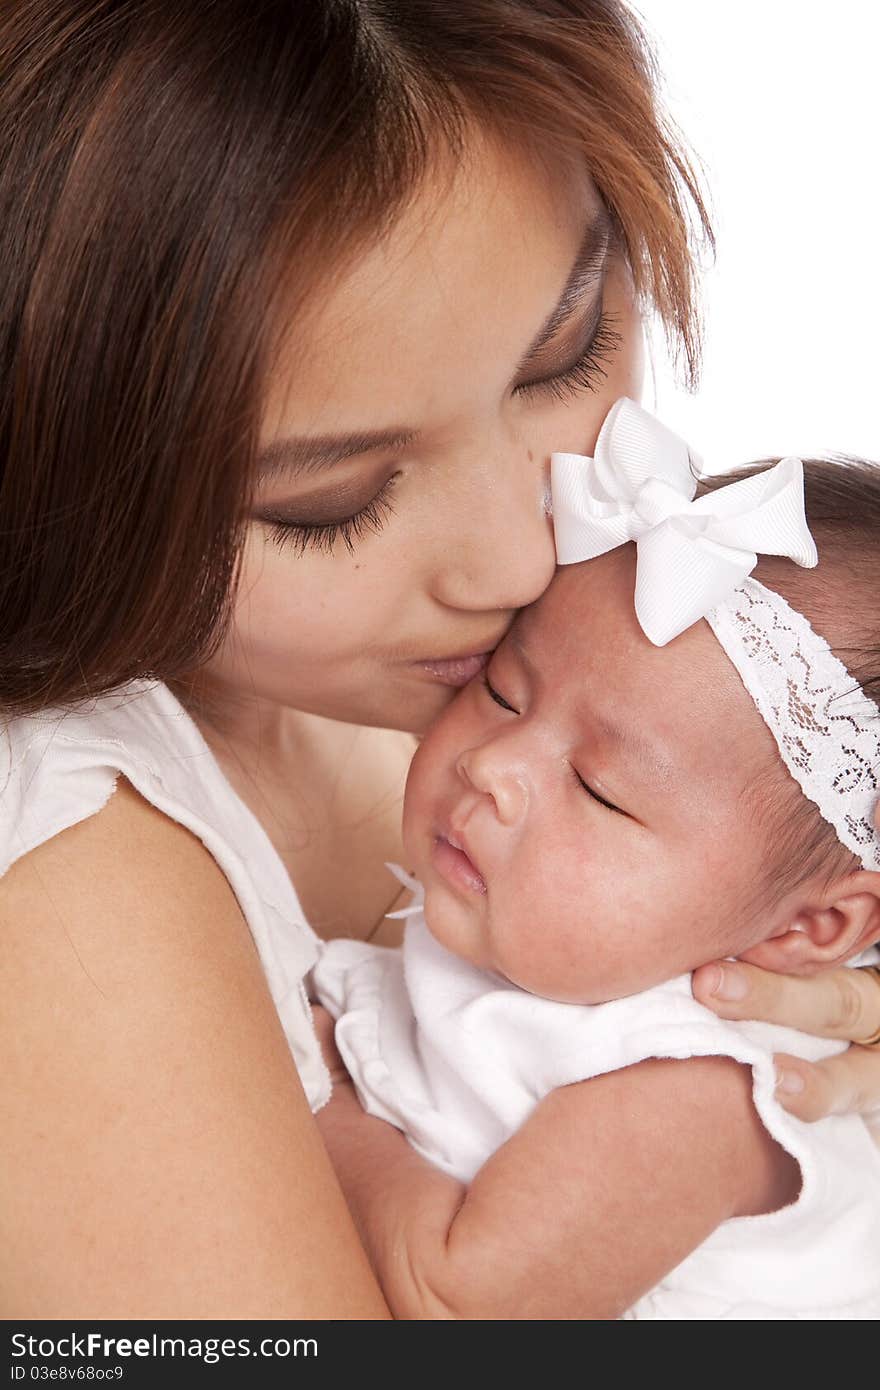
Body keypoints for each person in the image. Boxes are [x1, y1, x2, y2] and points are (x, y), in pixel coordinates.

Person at [1, 1, 878, 1318]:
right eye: (328, 502)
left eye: (569, 347)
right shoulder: (71, 854)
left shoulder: (580, 693)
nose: (523, 568)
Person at [313, 405, 880, 1318]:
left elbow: (458, 1302)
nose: (491, 767)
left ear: (809, 928)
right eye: (502, 691)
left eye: (599, 788)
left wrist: (317, 1095)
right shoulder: (550, 962)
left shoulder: (691, 1085)